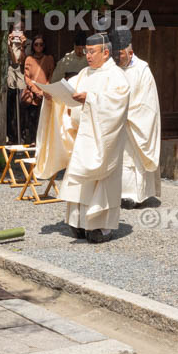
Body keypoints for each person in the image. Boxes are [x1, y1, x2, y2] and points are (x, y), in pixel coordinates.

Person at [55, 33, 130, 244]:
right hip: (83, 138)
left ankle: (101, 226)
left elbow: (117, 104)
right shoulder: (84, 74)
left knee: (101, 180)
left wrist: (90, 99)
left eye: (92, 52)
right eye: (86, 51)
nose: (87, 56)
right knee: (80, 178)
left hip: (103, 141)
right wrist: (56, 96)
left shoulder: (116, 76)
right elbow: (69, 90)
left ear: (105, 53)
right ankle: (78, 222)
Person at [112, 29, 162, 209]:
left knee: (133, 159)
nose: (117, 59)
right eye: (114, 55)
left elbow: (147, 104)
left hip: (135, 123)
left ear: (130, 52)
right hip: (116, 123)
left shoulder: (142, 70)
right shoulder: (113, 69)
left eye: (120, 55)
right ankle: (115, 194)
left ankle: (135, 195)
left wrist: (126, 113)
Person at [22, 34, 55, 143]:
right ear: (33, 46)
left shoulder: (49, 58)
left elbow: (51, 75)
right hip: (33, 94)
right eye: (36, 44)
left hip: (45, 93)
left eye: (41, 44)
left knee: (45, 118)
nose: (39, 46)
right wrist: (36, 91)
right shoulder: (29, 59)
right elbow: (27, 77)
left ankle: (44, 141)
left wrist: (44, 90)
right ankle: (33, 141)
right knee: (32, 119)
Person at [5, 25, 27, 144]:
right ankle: (11, 137)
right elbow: (11, 61)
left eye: (19, 30)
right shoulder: (7, 43)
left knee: (20, 109)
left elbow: (19, 61)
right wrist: (8, 45)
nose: (17, 33)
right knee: (10, 110)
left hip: (21, 79)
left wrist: (23, 45)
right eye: (15, 30)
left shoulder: (27, 44)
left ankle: (21, 135)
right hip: (9, 80)